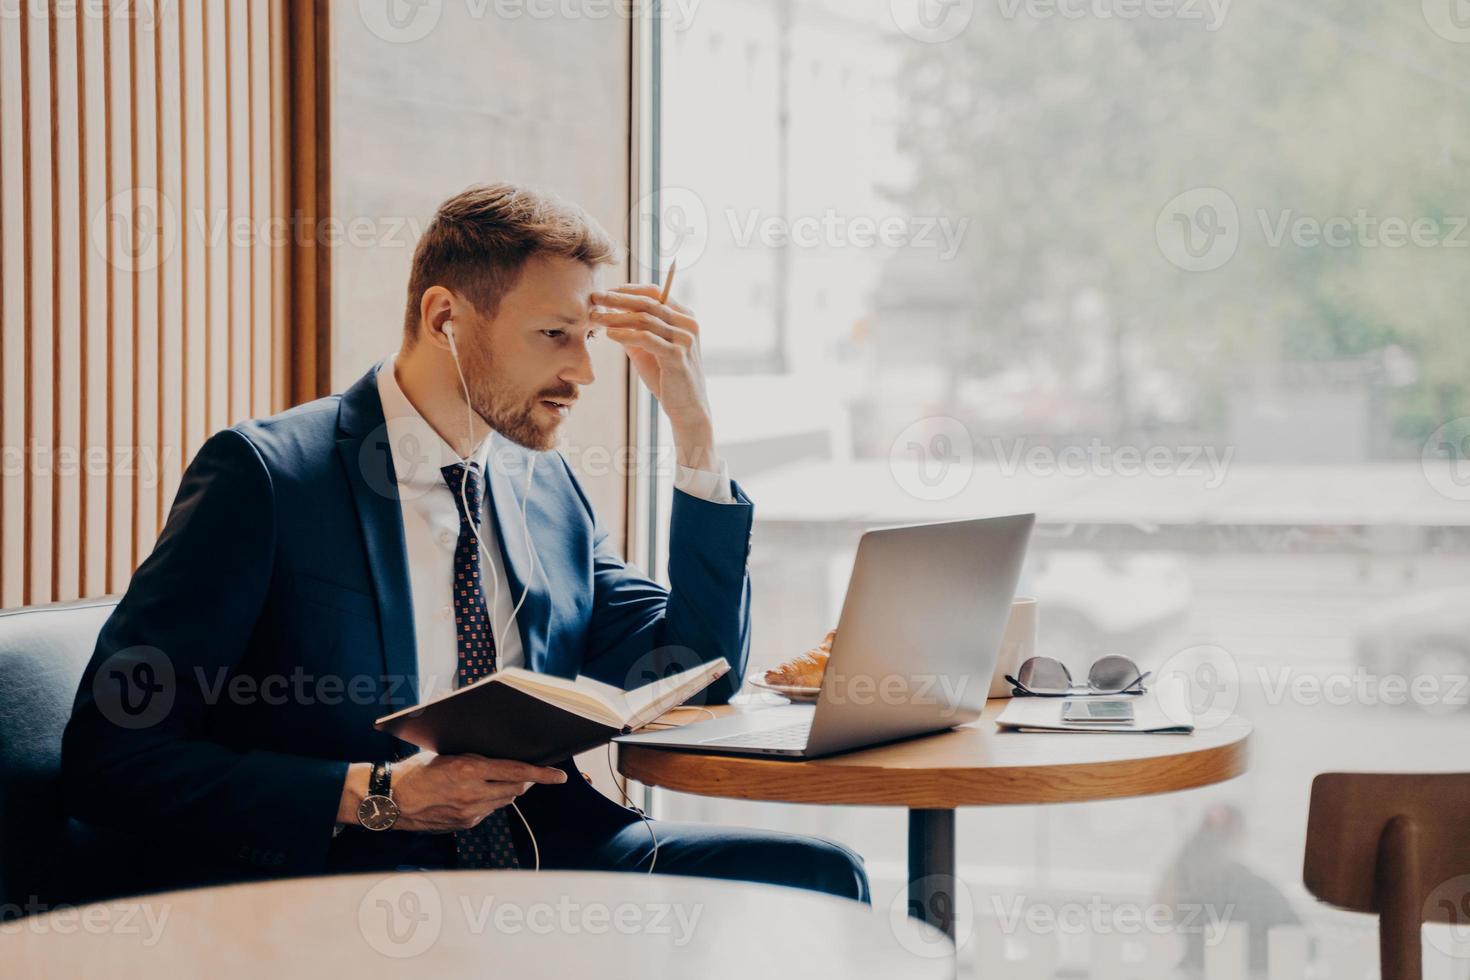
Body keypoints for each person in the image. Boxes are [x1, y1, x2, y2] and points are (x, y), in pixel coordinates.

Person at [61, 183, 868, 904]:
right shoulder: (269, 479)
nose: (585, 372)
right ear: (444, 318)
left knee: (822, 882)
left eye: (590, 336)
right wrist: (380, 794)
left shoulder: (544, 485)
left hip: (551, 855)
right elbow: (111, 759)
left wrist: (696, 437)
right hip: (352, 879)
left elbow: (693, 671)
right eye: (555, 334)